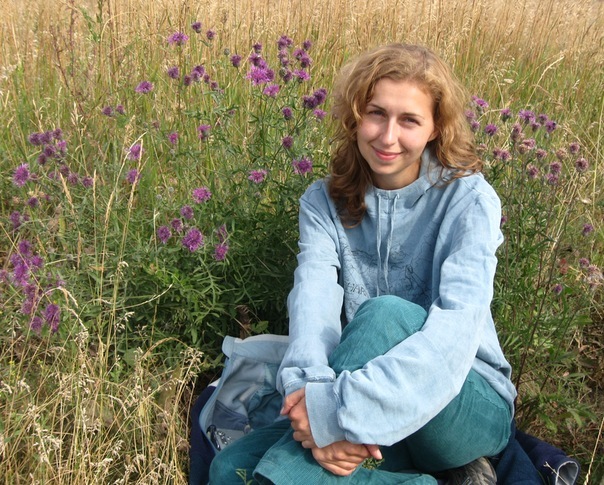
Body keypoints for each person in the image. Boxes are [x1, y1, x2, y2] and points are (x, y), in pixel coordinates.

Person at [209, 43, 517, 484]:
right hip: (364, 406)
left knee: (384, 315)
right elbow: (312, 304)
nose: (388, 137)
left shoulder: (469, 200)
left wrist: (330, 415)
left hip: (462, 405)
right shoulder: (322, 202)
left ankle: (440, 460)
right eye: (376, 114)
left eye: (409, 120)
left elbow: (452, 340)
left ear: (435, 128)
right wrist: (308, 393)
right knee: (228, 469)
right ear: (355, 117)